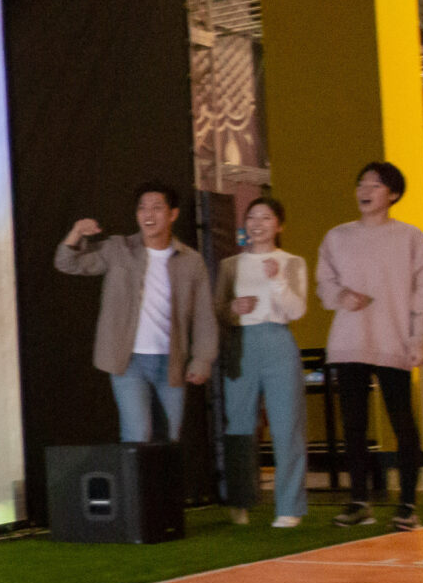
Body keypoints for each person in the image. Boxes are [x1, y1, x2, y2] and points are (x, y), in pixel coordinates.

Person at [317, 159, 423, 531]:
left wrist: (419, 339)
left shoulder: (411, 237)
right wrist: (340, 295)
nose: (364, 191)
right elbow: (324, 283)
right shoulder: (337, 236)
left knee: (402, 423)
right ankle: (359, 501)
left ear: (394, 194)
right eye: (361, 184)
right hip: (349, 340)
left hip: (393, 339)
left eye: (374, 185)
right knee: (353, 426)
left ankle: (407, 506)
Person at [55, 182, 216, 442]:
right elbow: (67, 263)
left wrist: (202, 359)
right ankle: (135, 470)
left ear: (173, 214)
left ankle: (163, 472)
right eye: (142, 208)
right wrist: (76, 233)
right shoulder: (119, 249)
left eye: (157, 208)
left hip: (172, 360)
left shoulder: (191, 260)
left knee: (170, 438)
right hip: (128, 360)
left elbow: (204, 315)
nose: (148, 215)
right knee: (138, 434)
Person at [214, 195, 311, 527]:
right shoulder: (230, 265)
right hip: (241, 343)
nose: (257, 223)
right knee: (239, 424)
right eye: (252, 217)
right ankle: (240, 501)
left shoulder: (292, 262)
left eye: (266, 217)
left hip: (278, 340)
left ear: (279, 225)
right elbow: (217, 310)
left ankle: (289, 507)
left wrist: (277, 280)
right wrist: (233, 309)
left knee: (287, 425)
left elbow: (297, 310)